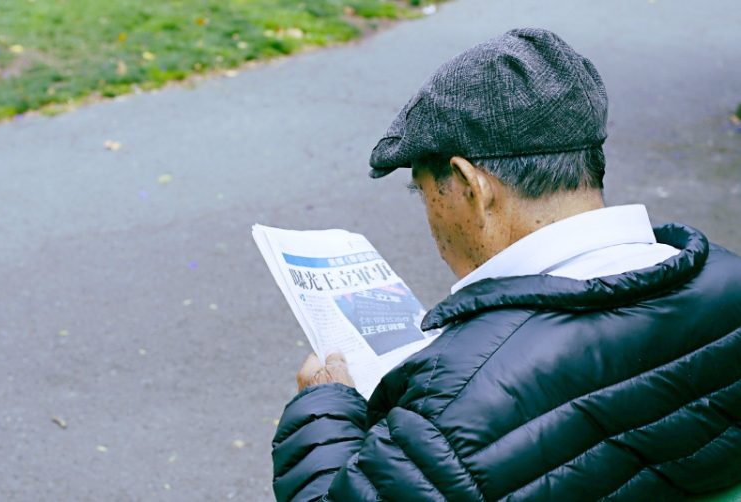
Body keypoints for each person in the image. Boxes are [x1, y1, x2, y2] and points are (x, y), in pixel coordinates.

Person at [270, 28, 741, 501]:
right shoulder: (728, 283)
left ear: (470, 185)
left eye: (422, 191)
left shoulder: (455, 405)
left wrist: (325, 406)